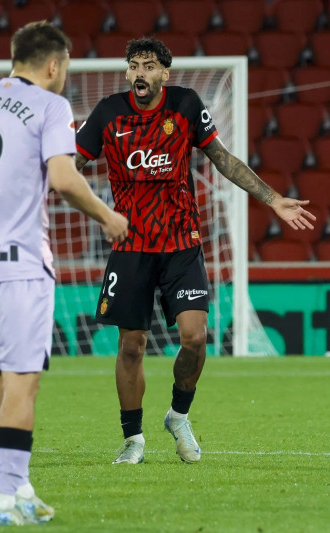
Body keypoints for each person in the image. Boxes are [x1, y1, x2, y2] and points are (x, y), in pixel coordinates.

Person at [0, 21, 128, 525]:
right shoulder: (51, 106)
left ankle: (15, 488)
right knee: (22, 383)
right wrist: (107, 216)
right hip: (20, 266)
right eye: (65, 69)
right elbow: (62, 177)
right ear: (54, 65)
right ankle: (7, 502)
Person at [75, 37, 316, 465]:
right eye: (134, 66)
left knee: (195, 337)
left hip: (180, 242)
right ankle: (133, 439)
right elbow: (70, 165)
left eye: (149, 66)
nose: (140, 74)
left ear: (165, 73)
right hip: (130, 246)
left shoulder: (185, 105)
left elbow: (221, 158)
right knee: (131, 345)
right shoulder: (108, 113)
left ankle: (178, 416)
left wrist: (272, 198)